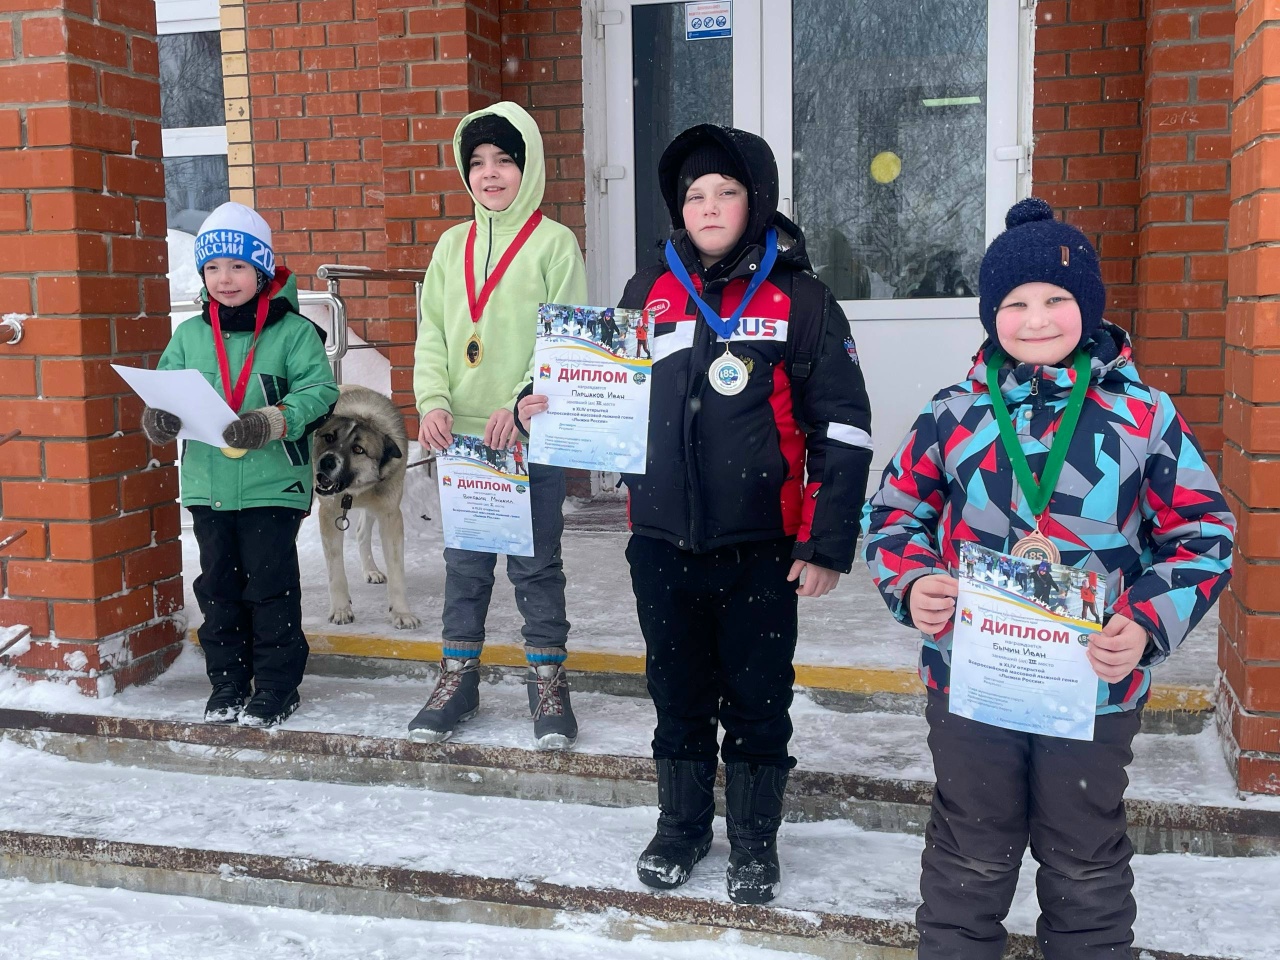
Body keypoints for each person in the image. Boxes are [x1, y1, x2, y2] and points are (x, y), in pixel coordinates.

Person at [861, 197, 1235, 959]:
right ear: (991, 316)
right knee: (969, 850)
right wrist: (914, 581)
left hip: (1093, 686)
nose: (1035, 319)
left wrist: (1146, 623)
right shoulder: (953, 413)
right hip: (973, 679)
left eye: (1056, 299)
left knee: (1083, 856)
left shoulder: (1144, 416)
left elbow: (1203, 535)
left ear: (1088, 307)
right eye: (1015, 303)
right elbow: (893, 514)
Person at [527, 124, 873, 904]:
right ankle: (680, 828)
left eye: (726, 191)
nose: (709, 206)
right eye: (694, 195)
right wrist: (540, 402)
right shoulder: (646, 292)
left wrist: (825, 542)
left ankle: (753, 842)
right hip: (661, 543)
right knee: (676, 694)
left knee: (758, 700)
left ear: (758, 201)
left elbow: (843, 430)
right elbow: (594, 385)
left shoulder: (804, 302)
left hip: (762, 549)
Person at [410, 102, 587, 750]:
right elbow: (433, 331)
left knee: (536, 566)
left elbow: (565, 338)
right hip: (461, 439)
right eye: (478, 162)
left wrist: (519, 402)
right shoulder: (450, 245)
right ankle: (458, 677)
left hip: (526, 436)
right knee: (466, 565)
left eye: (504, 160)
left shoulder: (554, 244)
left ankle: (548, 681)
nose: (489, 173)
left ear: (528, 166)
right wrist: (432, 401)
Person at [140, 201, 338, 728]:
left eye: (237, 266)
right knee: (218, 589)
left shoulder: (294, 332)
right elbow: (166, 393)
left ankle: (275, 687)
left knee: (269, 588)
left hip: (273, 484)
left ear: (262, 271)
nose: (224, 279)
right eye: (212, 268)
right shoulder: (189, 335)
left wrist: (273, 420)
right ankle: (227, 683)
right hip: (208, 483)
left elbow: (320, 392)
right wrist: (160, 417)